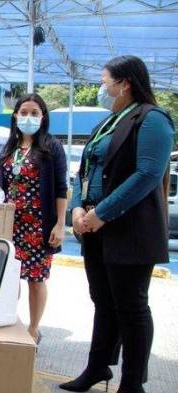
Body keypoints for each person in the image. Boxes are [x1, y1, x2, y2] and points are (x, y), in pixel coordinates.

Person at [61, 55, 174, 393]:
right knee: (103, 301)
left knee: (132, 306)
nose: (101, 88)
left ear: (125, 83)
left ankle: (131, 382)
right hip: (95, 227)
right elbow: (84, 174)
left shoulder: (152, 119)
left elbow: (147, 174)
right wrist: (79, 210)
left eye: (105, 81)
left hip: (129, 229)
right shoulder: (106, 123)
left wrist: (101, 213)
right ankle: (97, 367)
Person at [0, 93, 67, 344]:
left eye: (34, 113)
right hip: (8, 225)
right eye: (23, 112)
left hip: (37, 226)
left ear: (43, 117)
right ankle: (9, 321)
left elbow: (60, 187)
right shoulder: (9, 148)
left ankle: (34, 329)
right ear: (15, 115)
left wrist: (59, 224)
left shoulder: (51, 147)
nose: (28, 117)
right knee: (8, 278)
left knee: (36, 280)